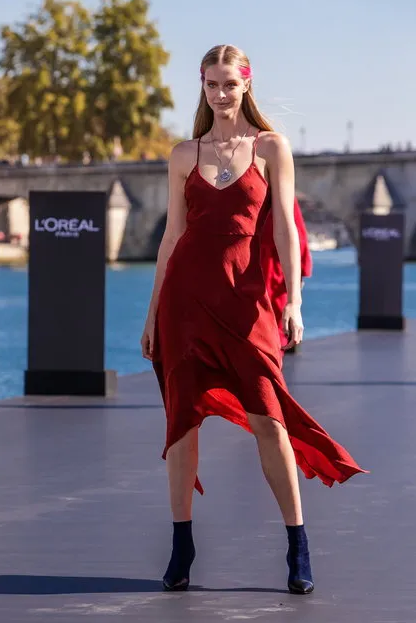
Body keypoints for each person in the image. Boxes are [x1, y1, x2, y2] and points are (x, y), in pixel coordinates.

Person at [141, 44, 367, 595]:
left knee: (269, 421)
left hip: (248, 307)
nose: (220, 95)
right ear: (202, 86)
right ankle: (182, 545)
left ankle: (297, 543)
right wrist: (151, 315)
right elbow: (172, 238)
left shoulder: (271, 148)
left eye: (229, 84)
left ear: (246, 83)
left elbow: (288, 228)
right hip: (186, 306)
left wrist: (293, 301)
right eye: (211, 85)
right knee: (183, 427)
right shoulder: (183, 155)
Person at [261, 198, 312, 351]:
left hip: (273, 269)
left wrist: (300, 274)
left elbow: (296, 235)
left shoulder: (284, 196)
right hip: (264, 268)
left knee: (273, 324)